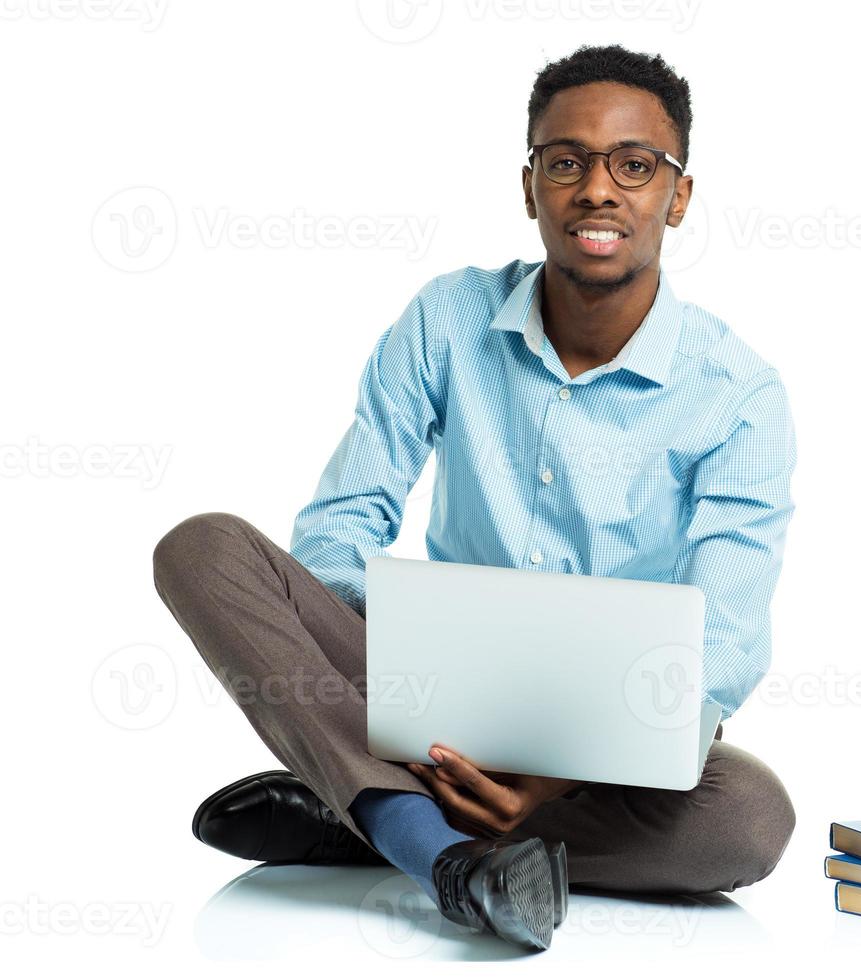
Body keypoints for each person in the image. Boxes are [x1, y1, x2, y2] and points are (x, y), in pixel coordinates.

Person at [152, 43, 797, 953]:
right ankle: (440, 853)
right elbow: (344, 526)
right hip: (424, 688)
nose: (598, 190)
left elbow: (722, 644)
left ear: (677, 196)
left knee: (749, 819)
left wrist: (558, 778)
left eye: (634, 165)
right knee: (202, 546)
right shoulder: (448, 318)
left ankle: (368, 816)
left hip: (611, 736)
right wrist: (412, 693)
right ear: (530, 186)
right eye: (565, 162)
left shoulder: (739, 393)